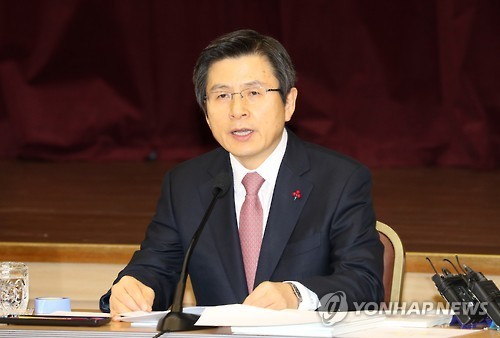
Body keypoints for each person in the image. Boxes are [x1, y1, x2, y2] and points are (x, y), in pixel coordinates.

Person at [99, 29, 384, 317]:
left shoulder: (339, 180)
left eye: (253, 93)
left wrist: (296, 295)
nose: (237, 110)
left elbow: (366, 284)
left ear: (289, 103)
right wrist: (135, 287)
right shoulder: (185, 184)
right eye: (222, 95)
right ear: (206, 114)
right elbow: (155, 267)